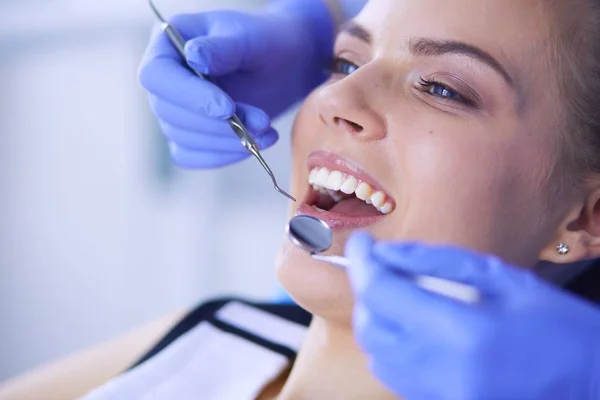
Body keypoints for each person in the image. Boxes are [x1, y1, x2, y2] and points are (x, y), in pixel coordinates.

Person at [2, 0, 600, 399]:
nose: (336, 100)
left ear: (586, 216)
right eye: (344, 61)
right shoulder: (220, 333)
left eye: (441, 87)